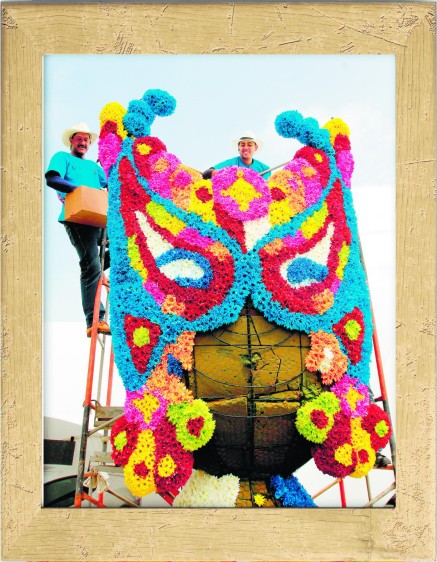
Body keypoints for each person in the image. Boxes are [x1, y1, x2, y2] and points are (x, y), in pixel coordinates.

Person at [45, 122, 111, 337]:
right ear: (72, 141)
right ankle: (94, 320)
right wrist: (81, 192)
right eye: (79, 138)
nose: (82, 142)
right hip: (77, 217)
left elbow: (111, 184)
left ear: (89, 143)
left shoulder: (94, 167)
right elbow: (52, 178)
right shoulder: (63, 158)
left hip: (99, 217)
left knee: (124, 246)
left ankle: (99, 271)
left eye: (86, 139)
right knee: (90, 265)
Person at [202, 131, 271, 180]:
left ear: (255, 148)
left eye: (249, 145)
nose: (246, 148)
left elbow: (265, 187)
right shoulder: (231, 163)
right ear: (238, 147)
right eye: (242, 145)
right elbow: (207, 173)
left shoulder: (265, 169)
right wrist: (231, 173)